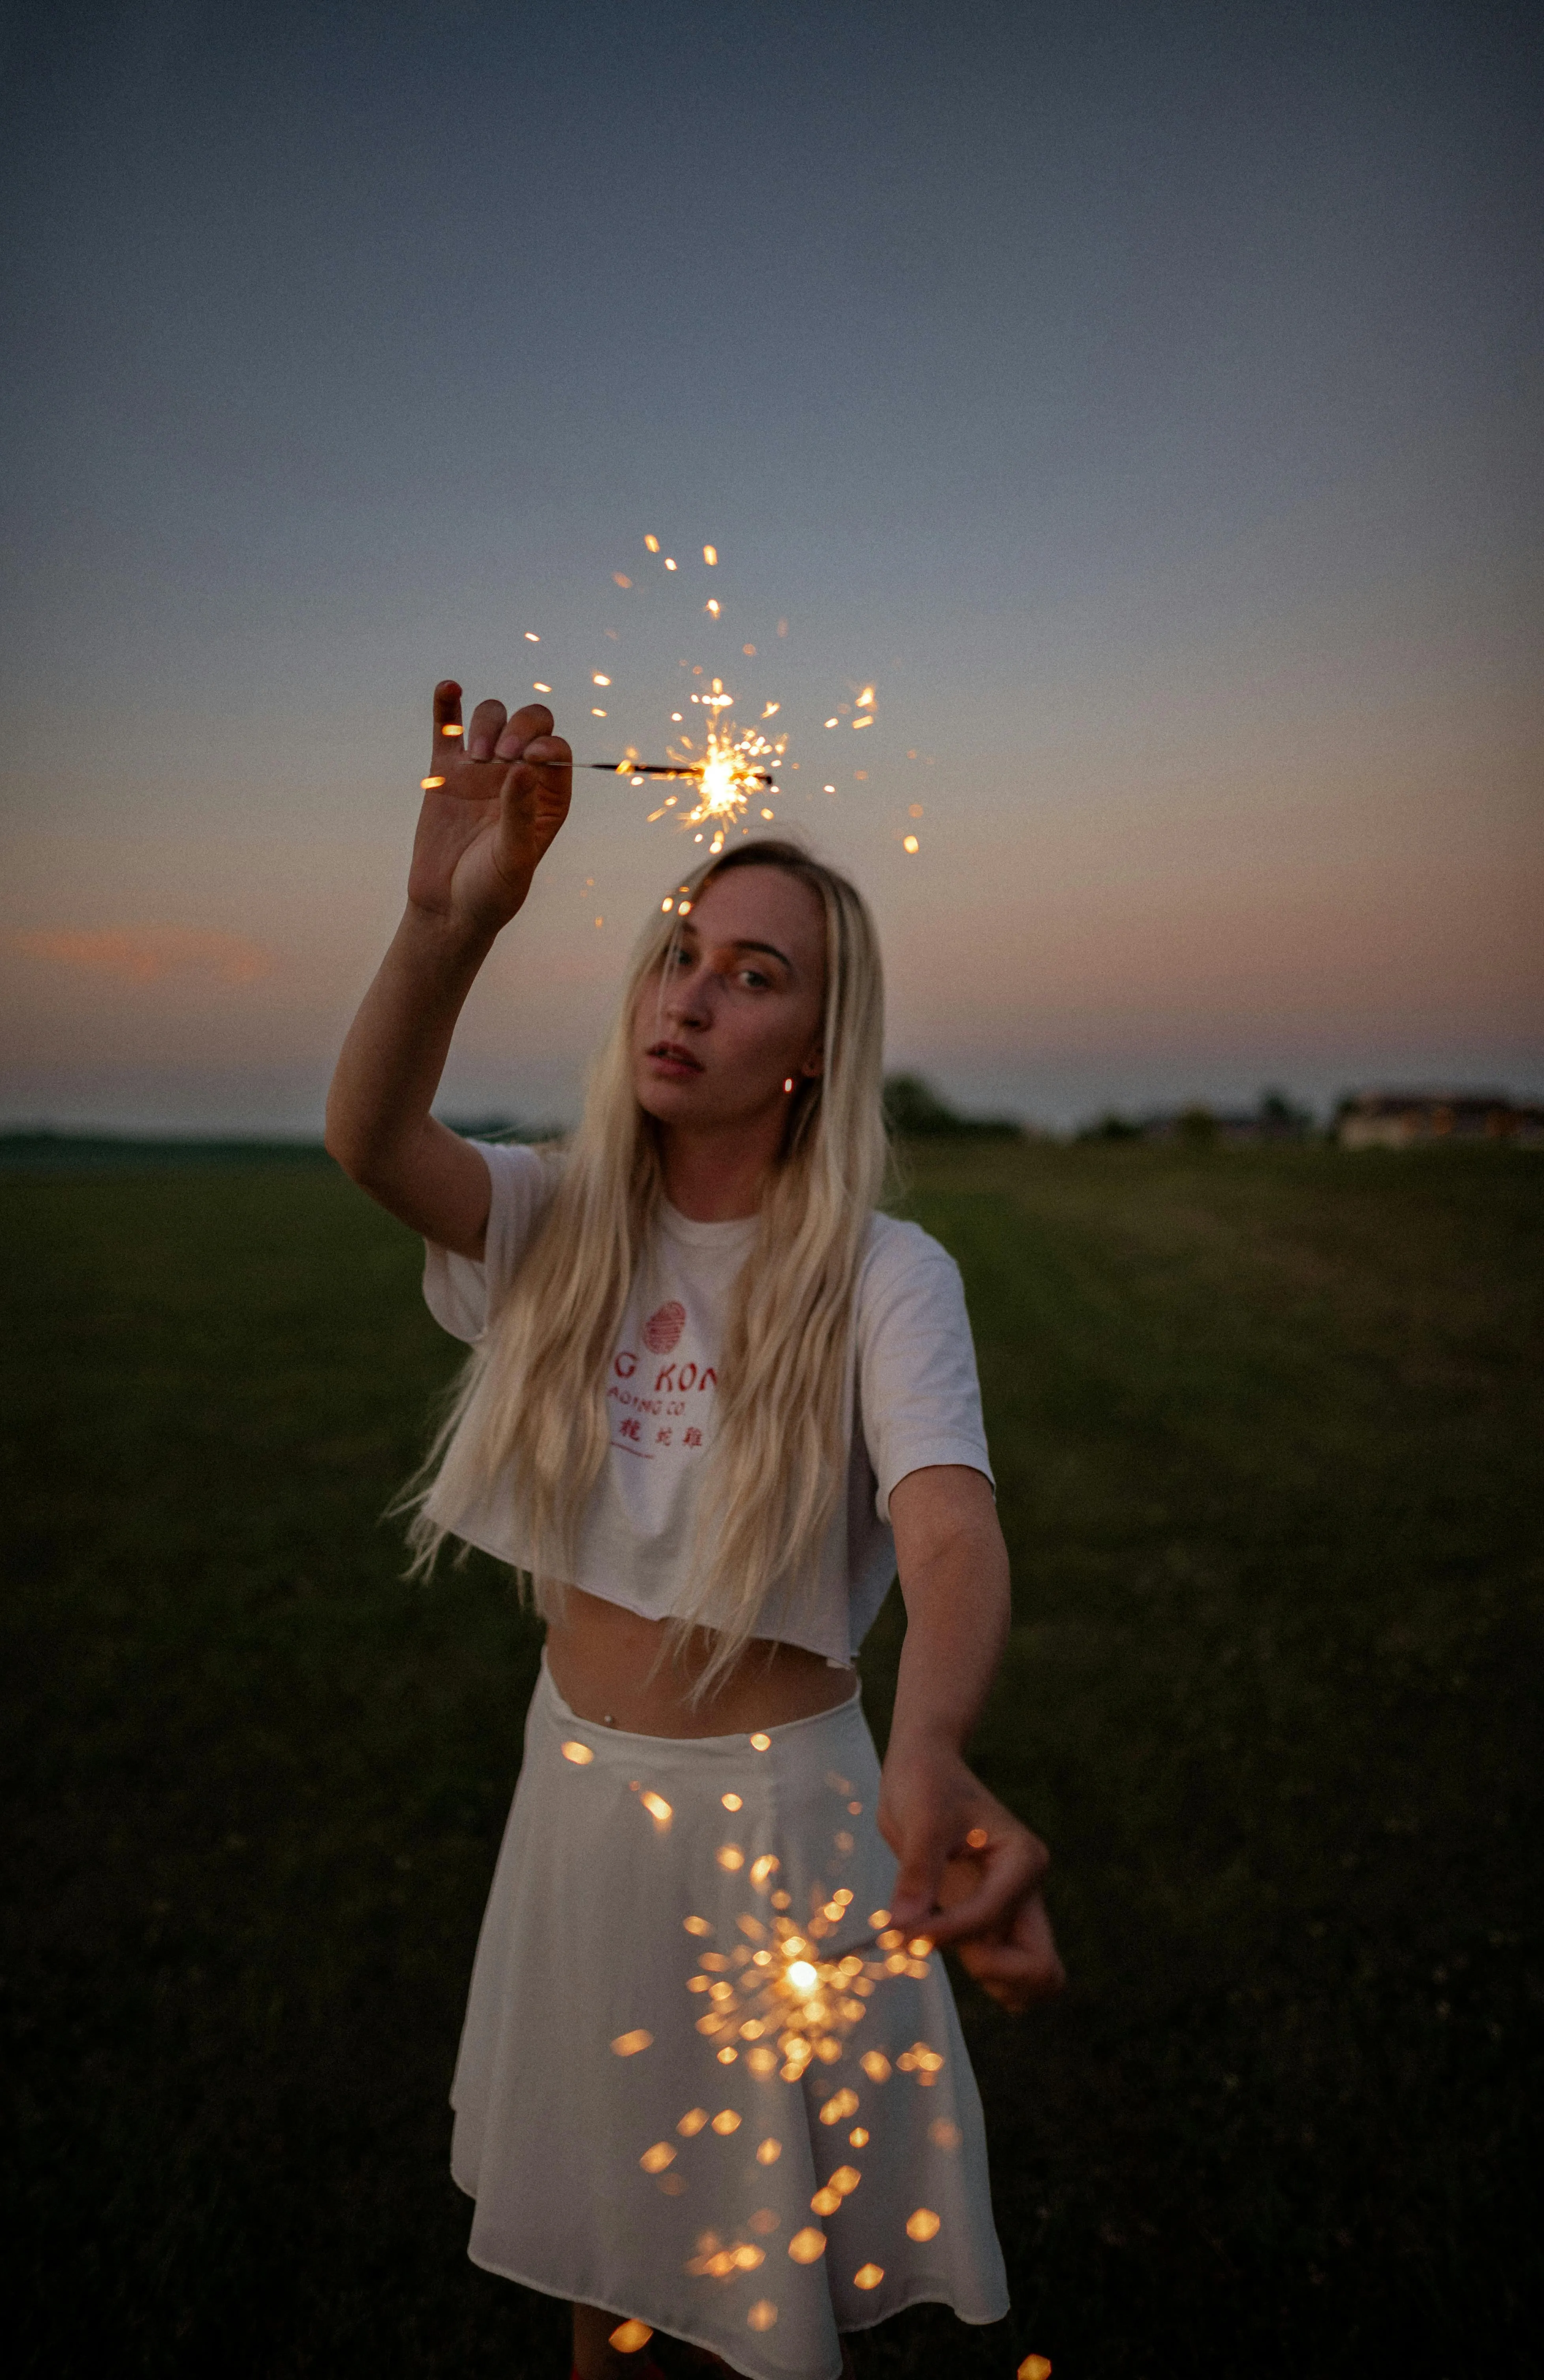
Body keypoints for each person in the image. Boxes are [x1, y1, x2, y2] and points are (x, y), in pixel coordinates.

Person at [326, 681, 1065, 2380]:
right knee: (613, 2280)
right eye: (679, 952)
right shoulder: (558, 1216)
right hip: (577, 1798)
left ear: (811, 1043)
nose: (694, 995)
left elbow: (948, 1533)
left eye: (755, 974)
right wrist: (447, 924)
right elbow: (369, 1139)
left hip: (779, 1834)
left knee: (752, 2297)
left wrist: (933, 1743)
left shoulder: (884, 1272)